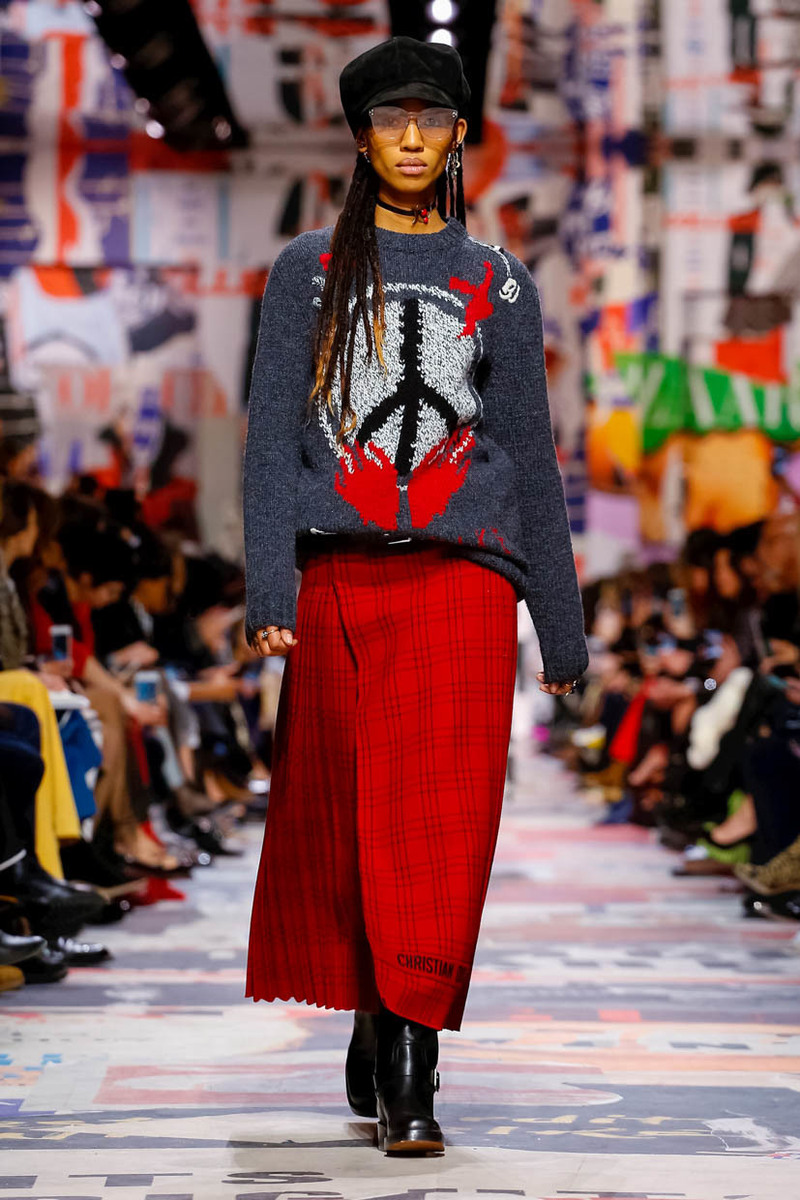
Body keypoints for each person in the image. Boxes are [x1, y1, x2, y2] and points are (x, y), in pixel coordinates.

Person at [242, 35, 588, 1156]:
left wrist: (560, 622)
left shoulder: (498, 281)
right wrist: (268, 582)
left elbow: (528, 456)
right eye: (388, 119)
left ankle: (411, 1057)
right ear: (358, 137)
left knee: (442, 824)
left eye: (429, 119)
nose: (408, 137)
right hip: (343, 572)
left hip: (461, 575)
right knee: (354, 819)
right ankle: (375, 1007)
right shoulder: (307, 270)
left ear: (455, 136)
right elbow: (273, 438)